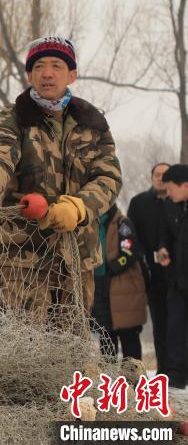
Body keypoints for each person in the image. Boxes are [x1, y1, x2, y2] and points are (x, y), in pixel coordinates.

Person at [0, 36, 122, 324]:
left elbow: (109, 177)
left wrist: (79, 208)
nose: (48, 73)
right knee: (24, 351)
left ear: (72, 74)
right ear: (29, 75)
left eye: (57, 66)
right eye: (39, 66)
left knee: (71, 348)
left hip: (77, 259)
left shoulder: (93, 123)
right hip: (23, 259)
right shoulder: (14, 117)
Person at [127, 162, 170, 374]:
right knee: (160, 324)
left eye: (165, 174)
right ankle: (164, 371)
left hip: (179, 275)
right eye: (157, 174)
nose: (161, 177)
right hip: (152, 275)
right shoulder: (138, 203)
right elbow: (131, 236)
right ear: (151, 177)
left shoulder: (181, 202)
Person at [91, 204, 147, 363]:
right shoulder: (91, 224)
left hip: (122, 287)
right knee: (106, 336)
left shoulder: (122, 223)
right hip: (98, 286)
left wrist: (112, 267)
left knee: (128, 335)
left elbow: (129, 251)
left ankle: (133, 381)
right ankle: (108, 381)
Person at [156, 164, 188, 389]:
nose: (167, 193)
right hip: (177, 281)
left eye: (170, 189)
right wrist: (163, 249)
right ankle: (175, 377)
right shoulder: (170, 206)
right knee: (175, 328)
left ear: (185, 186)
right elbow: (164, 234)